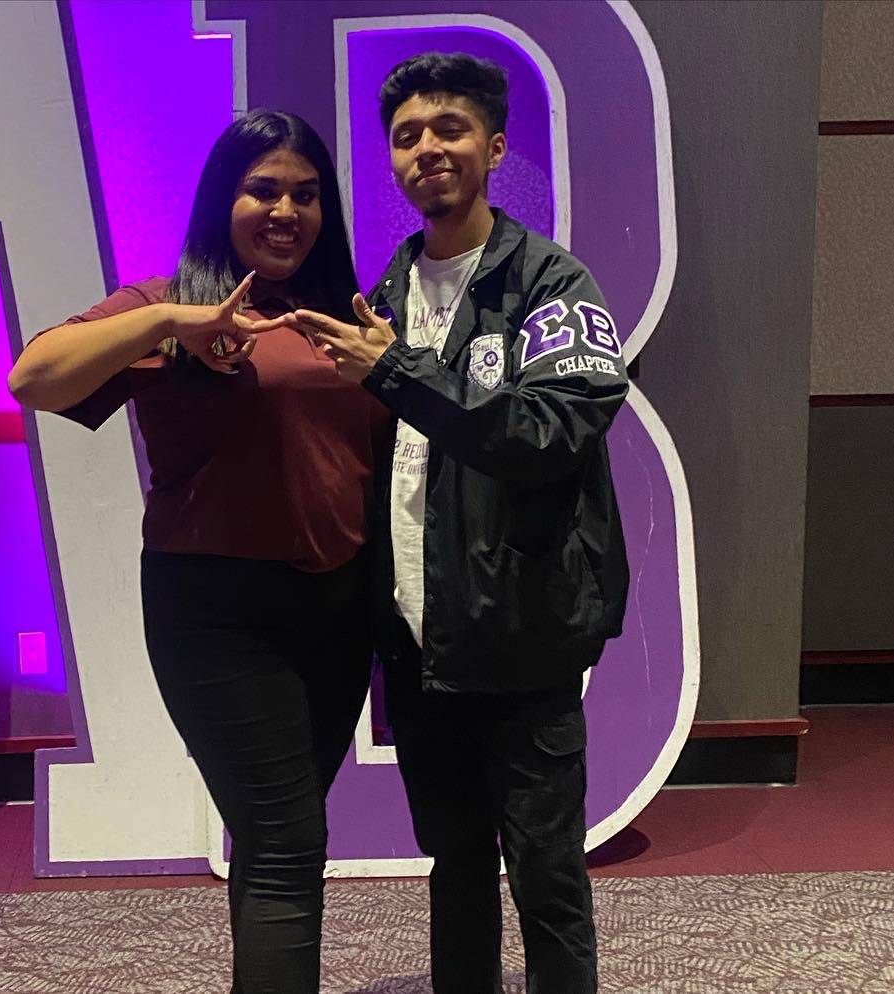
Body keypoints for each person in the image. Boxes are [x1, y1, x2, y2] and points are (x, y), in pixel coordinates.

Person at [9, 109, 387, 993]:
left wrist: (391, 366)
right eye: (263, 189)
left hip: (339, 610)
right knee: (292, 843)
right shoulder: (165, 305)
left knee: (274, 838)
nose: (285, 209)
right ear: (225, 199)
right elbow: (33, 376)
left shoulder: (352, 316)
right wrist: (169, 323)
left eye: (305, 193)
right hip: (217, 613)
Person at [285, 54, 630, 994]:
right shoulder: (386, 290)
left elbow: (553, 433)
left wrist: (397, 374)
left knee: (549, 877)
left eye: (450, 129)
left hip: (526, 642)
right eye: (407, 136)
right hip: (419, 644)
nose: (428, 149)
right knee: (457, 869)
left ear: (495, 146)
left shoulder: (553, 284)